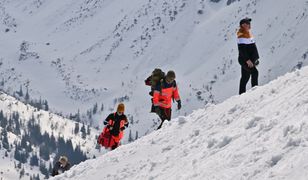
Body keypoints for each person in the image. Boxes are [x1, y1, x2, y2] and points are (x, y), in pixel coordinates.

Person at [237, 17, 260, 94]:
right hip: (245, 60)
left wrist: (255, 59)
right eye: (246, 23)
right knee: (255, 73)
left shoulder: (248, 34)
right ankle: (255, 91)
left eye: (249, 23)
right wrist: (248, 60)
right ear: (242, 25)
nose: (248, 25)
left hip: (250, 59)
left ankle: (241, 94)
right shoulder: (241, 35)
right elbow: (242, 50)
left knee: (245, 77)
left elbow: (253, 48)